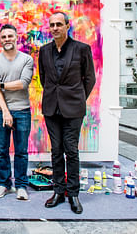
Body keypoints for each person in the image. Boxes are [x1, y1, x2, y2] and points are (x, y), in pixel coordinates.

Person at [39, 11, 96, 214]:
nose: (55, 28)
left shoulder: (82, 49)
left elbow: (89, 79)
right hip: (51, 108)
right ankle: (58, 191)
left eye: (59, 24)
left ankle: (73, 194)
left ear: (67, 26)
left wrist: (77, 97)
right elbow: (43, 78)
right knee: (56, 151)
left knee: (71, 150)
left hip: (73, 108)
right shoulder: (44, 51)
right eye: (52, 25)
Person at [0, 24, 34, 201]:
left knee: (21, 150)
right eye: (4, 36)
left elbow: (23, 83)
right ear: (0, 40)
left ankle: (21, 185)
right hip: (0, 111)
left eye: (10, 36)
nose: (7, 39)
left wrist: (0, 84)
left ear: (16, 37)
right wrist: (6, 111)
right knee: (2, 150)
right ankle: (4, 184)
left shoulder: (26, 60)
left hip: (22, 110)